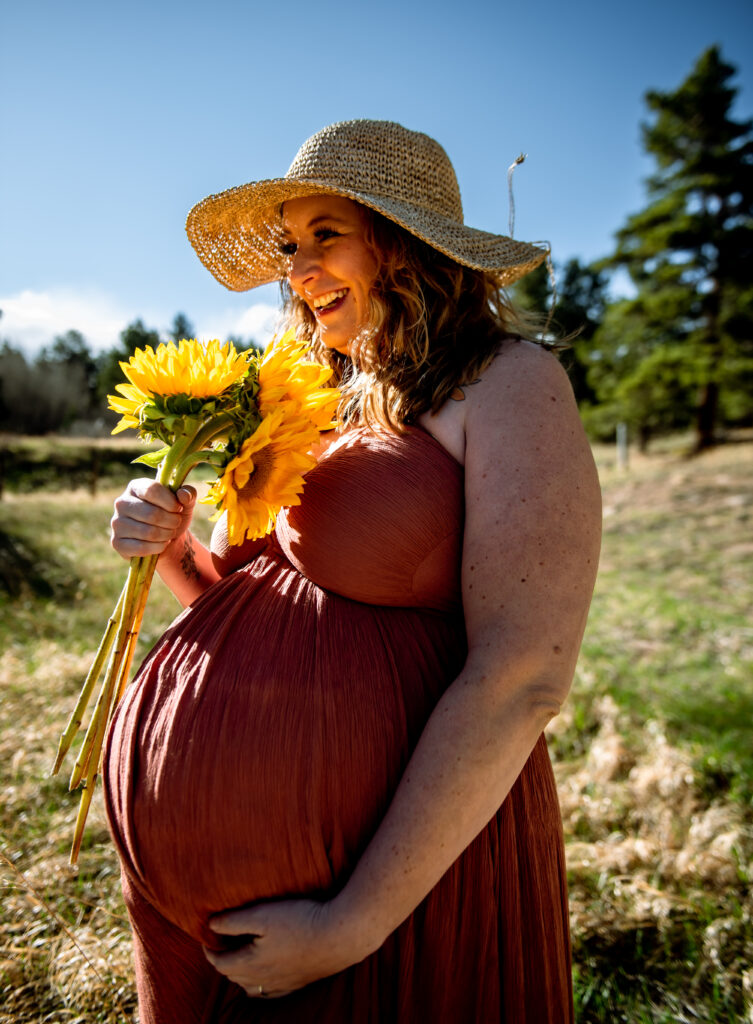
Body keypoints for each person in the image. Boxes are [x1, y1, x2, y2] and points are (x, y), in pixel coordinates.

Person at [104, 119, 601, 1023]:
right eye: (291, 246)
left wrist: (354, 921)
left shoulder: (507, 383)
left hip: (391, 890)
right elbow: (240, 602)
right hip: (194, 915)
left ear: (405, 242)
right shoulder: (305, 393)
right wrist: (170, 545)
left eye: (324, 236)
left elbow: (523, 676)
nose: (297, 270)